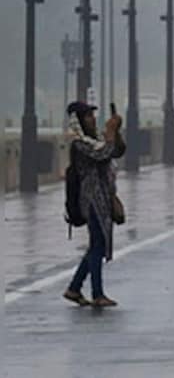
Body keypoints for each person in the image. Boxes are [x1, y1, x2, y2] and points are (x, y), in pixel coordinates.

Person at [62, 101, 126, 308]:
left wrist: (116, 131)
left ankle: (74, 288)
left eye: (92, 115)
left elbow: (116, 151)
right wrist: (110, 131)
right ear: (79, 120)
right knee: (98, 244)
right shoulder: (79, 144)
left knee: (96, 246)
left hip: (103, 198)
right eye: (88, 116)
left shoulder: (95, 140)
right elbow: (103, 153)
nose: (92, 119)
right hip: (90, 200)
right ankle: (97, 293)